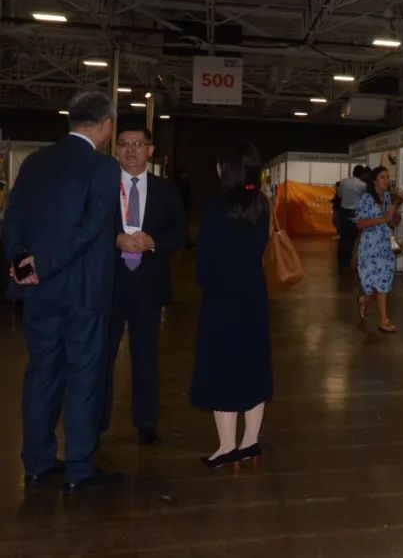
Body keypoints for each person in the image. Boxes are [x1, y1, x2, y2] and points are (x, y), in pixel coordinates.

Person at [3, 91, 123, 492]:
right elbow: (90, 230)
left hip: (39, 292)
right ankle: (79, 468)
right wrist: (47, 265)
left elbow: (13, 217)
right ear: (106, 125)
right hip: (84, 292)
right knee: (85, 377)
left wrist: (24, 264)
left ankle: (37, 463)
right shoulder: (104, 168)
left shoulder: (35, 162)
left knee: (41, 373)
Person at [102, 127, 187, 446]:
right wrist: (116, 238)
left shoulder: (166, 189)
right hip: (110, 283)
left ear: (150, 151)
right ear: (115, 150)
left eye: (138, 144)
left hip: (148, 284)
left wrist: (153, 241)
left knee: (146, 356)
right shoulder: (104, 186)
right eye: (124, 144)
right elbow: (88, 226)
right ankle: (97, 421)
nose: (130, 149)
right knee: (102, 356)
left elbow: (180, 233)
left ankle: (146, 422)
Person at [190, 141, 272, 469]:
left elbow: (204, 259)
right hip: (254, 295)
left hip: (221, 297)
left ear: (227, 169)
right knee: (253, 364)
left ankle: (226, 446)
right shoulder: (262, 205)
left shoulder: (216, 208)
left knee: (221, 366)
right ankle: (250, 442)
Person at [355, 166, 402, 334]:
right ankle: (366, 301)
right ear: (374, 181)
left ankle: (383, 320)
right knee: (374, 284)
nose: (386, 180)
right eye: (382, 177)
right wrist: (383, 218)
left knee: (384, 282)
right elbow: (360, 223)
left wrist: (394, 217)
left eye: (387, 177)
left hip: (385, 245)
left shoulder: (389, 198)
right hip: (370, 246)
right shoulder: (366, 199)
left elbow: (392, 223)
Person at [335, 165, 367, 271]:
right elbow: (366, 198)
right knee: (351, 239)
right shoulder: (363, 185)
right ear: (362, 174)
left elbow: (339, 195)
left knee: (343, 237)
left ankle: (340, 262)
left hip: (343, 212)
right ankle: (346, 263)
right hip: (355, 213)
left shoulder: (343, 182)